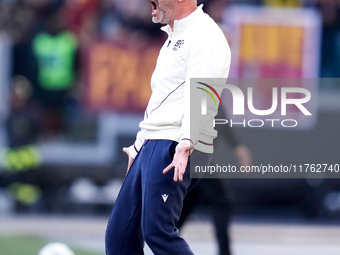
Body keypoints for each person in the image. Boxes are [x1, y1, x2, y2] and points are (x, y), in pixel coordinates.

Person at [105, 0, 231, 254]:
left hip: (174, 143)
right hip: (154, 143)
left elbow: (203, 95)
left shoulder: (205, 35)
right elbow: (161, 100)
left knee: (158, 231)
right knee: (120, 237)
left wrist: (187, 141)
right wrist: (139, 145)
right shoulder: (175, 36)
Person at [176, 108, 253, 255]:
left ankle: (164, 241)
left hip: (195, 158)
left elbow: (220, 119)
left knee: (187, 204)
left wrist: (237, 146)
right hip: (196, 157)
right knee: (223, 202)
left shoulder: (213, 100)